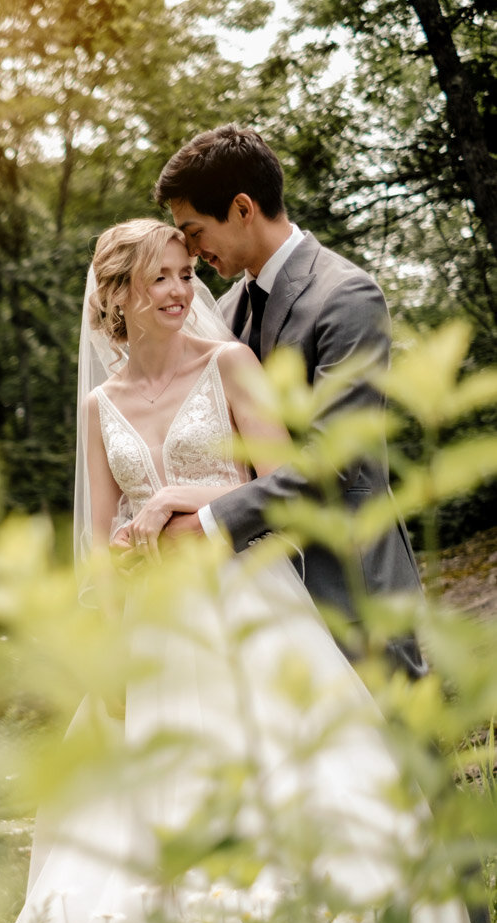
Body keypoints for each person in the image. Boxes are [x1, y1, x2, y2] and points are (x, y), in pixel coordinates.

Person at [0, 219, 468, 923]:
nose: (179, 290)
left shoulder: (229, 364)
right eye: (159, 278)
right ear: (117, 297)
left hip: (250, 604)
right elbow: (98, 540)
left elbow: (284, 482)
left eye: (182, 272)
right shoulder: (102, 403)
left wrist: (180, 496)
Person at [154, 124, 426, 679]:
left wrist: (207, 523)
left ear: (242, 207)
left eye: (194, 229)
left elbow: (331, 461)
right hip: (262, 599)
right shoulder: (222, 311)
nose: (192, 249)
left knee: (399, 758)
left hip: (352, 585)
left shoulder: (344, 295)